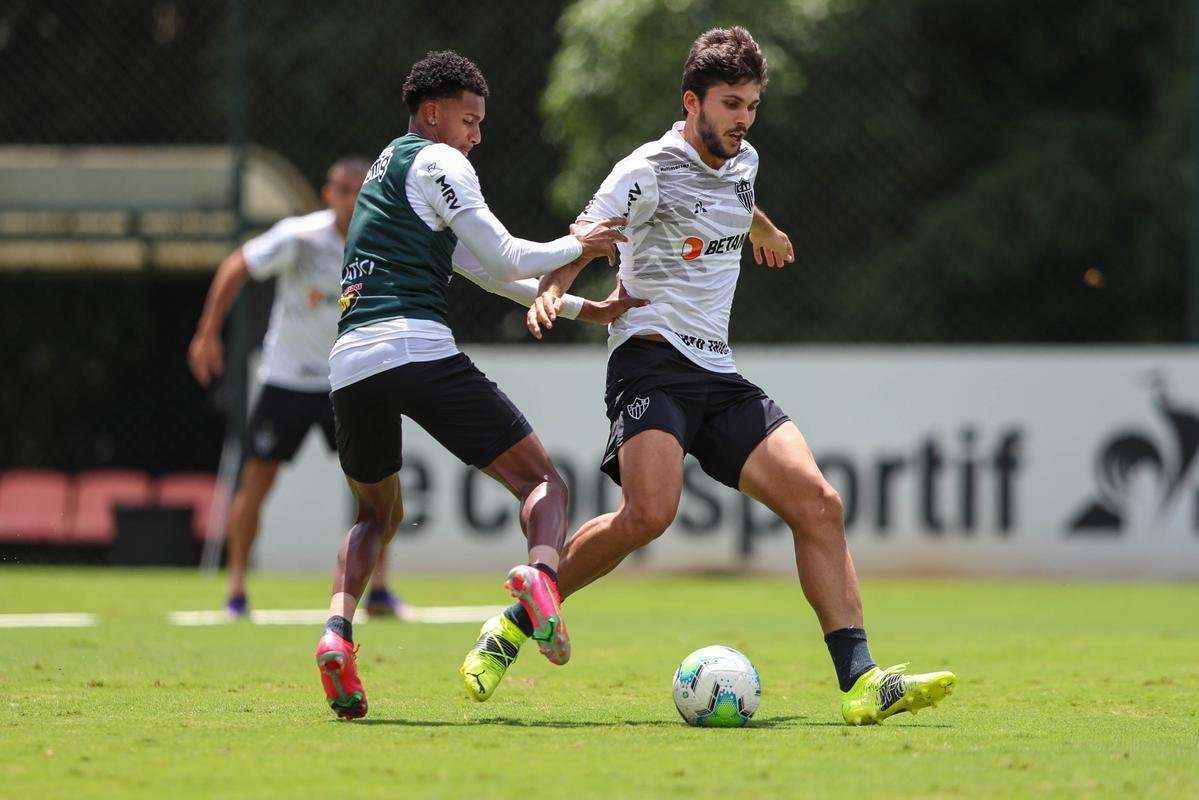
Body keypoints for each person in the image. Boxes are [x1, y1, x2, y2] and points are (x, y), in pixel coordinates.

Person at [460, 27, 957, 726]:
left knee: (819, 503)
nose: (743, 118)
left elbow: (732, 193)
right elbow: (589, 234)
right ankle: (511, 626)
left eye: (751, 105)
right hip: (650, 358)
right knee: (649, 516)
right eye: (730, 104)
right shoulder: (645, 168)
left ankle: (860, 681)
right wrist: (557, 285)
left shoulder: (743, 159)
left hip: (717, 372)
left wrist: (763, 228)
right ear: (690, 101)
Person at [313, 50, 637, 720]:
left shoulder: (387, 171)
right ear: (432, 113)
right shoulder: (440, 162)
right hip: (415, 348)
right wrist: (583, 244)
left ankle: (336, 633)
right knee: (543, 482)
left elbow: (479, 270)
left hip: (349, 364)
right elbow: (507, 255)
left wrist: (582, 307)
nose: (476, 135)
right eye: (468, 119)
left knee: (377, 513)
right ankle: (541, 577)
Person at [188, 157, 406, 620]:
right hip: (286, 379)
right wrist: (207, 332)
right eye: (343, 190)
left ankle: (379, 590)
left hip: (345, 379)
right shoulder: (300, 237)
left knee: (374, 486)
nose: (352, 199)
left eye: (360, 190)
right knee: (257, 481)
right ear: (329, 195)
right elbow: (236, 266)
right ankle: (237, 592)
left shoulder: (383, 240)